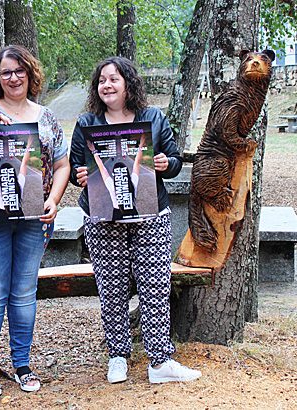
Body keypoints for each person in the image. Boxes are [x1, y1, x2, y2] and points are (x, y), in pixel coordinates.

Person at [69, 56, 202, 384]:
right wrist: (80, 175)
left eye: (113, 79)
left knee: (155, 286)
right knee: (111, 287)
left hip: (149, 214)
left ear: (128, 83)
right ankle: (118, 356)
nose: (107, 86)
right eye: (102, 80)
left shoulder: (153, 117)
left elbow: (173, 161)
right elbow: (74, 168)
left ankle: (160, 362)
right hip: (103, 218)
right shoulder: (87, 122)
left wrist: (163, 163)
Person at [0, 45, 70, 396]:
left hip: (34, 216)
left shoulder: (46, 116)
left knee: (24, 292)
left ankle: (22, 363)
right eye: (6, 72)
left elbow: (61, 164)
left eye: (19, 71)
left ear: (30, 73)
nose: (13, 78)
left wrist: (53, 200)